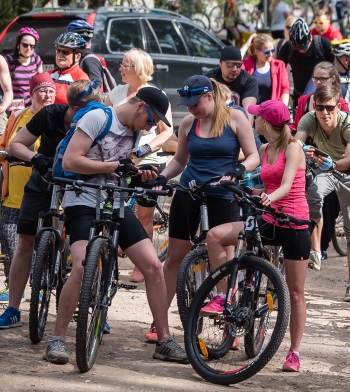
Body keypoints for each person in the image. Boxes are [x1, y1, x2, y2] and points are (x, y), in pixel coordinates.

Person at [41, 87, 188, 365]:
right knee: (82, 266)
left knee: (154, 266)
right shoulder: (97, 117)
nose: (150, 126)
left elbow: (124, 164)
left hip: (115, 200)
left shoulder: (135, 129)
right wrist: (111, 167)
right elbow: (72, 160)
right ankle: (57, 339)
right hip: (82, 197)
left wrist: (139, 172)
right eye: (150, 119)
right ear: (139, 106)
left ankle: (164, 340)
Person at [204, 101, 311, 372]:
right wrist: (234, 184)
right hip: (267, 217)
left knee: (295, 292)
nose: (254, 121)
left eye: (257, 118)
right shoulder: (265, 149)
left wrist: (267, 197)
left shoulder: (293, 147)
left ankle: (294, 352)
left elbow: (285, 186)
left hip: (294, 222)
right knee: (215, 236)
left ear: (266, 122)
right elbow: (262, 184)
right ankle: (223, 297)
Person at [0, 80, 100, 330]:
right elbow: (16, 144)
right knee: (25, 242)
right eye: (84, 109)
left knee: (86, 247)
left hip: (80, 185)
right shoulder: (51, 115)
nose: (90, 115)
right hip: (44, 178)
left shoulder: (99, 120)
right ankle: (13, 309)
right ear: (72, 105)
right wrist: (35, 157)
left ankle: (92, 308)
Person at [158, 76, 259, 340]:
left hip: (223, 193)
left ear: (210, 96)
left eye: (195, 104)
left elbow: (253, 156)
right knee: (174, 259)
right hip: (189, 190)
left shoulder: (235, 118)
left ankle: (230, 321)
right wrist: (162, 177)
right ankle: (160, 322)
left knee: (225, 258)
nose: (191, 109)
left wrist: (238, 169)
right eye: (187, 104)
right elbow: (180, 160)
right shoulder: (189, 123)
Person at [0, 74, 56, 307]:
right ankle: (12, 285)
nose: (46, 96)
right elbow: (3, 145)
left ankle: (41, 285)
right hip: (14, 192)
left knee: (43, 243)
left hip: (44, 191)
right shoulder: (17, 116)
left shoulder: (56, 118)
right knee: (9, 241)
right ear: (32, 93)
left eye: (50, 91)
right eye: (42, 91)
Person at [108, 49, 174, 282]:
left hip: (148, 158)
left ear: (138, 69)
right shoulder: (117, 91)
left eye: (126, 65)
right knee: (115, 207)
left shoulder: (156, 95)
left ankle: (141, 264)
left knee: (144, 216)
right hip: (121, 159)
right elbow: (105, 116)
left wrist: (146, 149)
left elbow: (168, 132)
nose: (121, 68)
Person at [297, 82, 350, 298]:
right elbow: (295, 143)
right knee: (312, 194)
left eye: (330, 108)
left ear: (338, 107)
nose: (324, 113)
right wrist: (300, 148)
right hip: (325, 169)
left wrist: (331, 164)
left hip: (349, 172)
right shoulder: (309, 119)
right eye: (319, 108)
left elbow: (349, 160)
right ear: (313, 107)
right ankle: (316, 250)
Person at [277, 18, 334, 97]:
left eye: (304, 47)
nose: (301, 50)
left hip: (322, 95)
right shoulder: (288, 48)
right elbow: (278, 70)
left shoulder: (323, 45)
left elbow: (335, 70)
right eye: (297, 48)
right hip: (299, 95)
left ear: (310, 37)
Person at [206, 45, 258, 120]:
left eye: (238, 65)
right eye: (230, 64)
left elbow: (248, 111)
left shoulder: (249, 81)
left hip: (240, 123)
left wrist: (245, 130)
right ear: (220, 64)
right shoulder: (209, 79)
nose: (234, 69)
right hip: (215, 123)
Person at [242, 33, 290, 106]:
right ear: (256, 51)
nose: (271, 54)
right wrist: (246, 45)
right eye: (267, 52)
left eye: (273, 50)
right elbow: (234, 61)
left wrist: (284, 108)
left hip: (270, 113)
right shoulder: (246, 64)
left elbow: (285, 88)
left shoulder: (279, 65)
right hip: (249, 113)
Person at [3, 27, 43, 110]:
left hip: (32, 107)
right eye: (25, 45)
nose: (28, 48)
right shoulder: (8, 60)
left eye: (32, 46)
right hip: (12, 106)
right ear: (18, 45)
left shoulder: (36, 59)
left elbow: (41, 85)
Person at [48, 32, 90, 105]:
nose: (60, 55)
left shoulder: (82, 79)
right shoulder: (48, 74)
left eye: (65, 52)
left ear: (78, 56)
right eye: (58, 51)